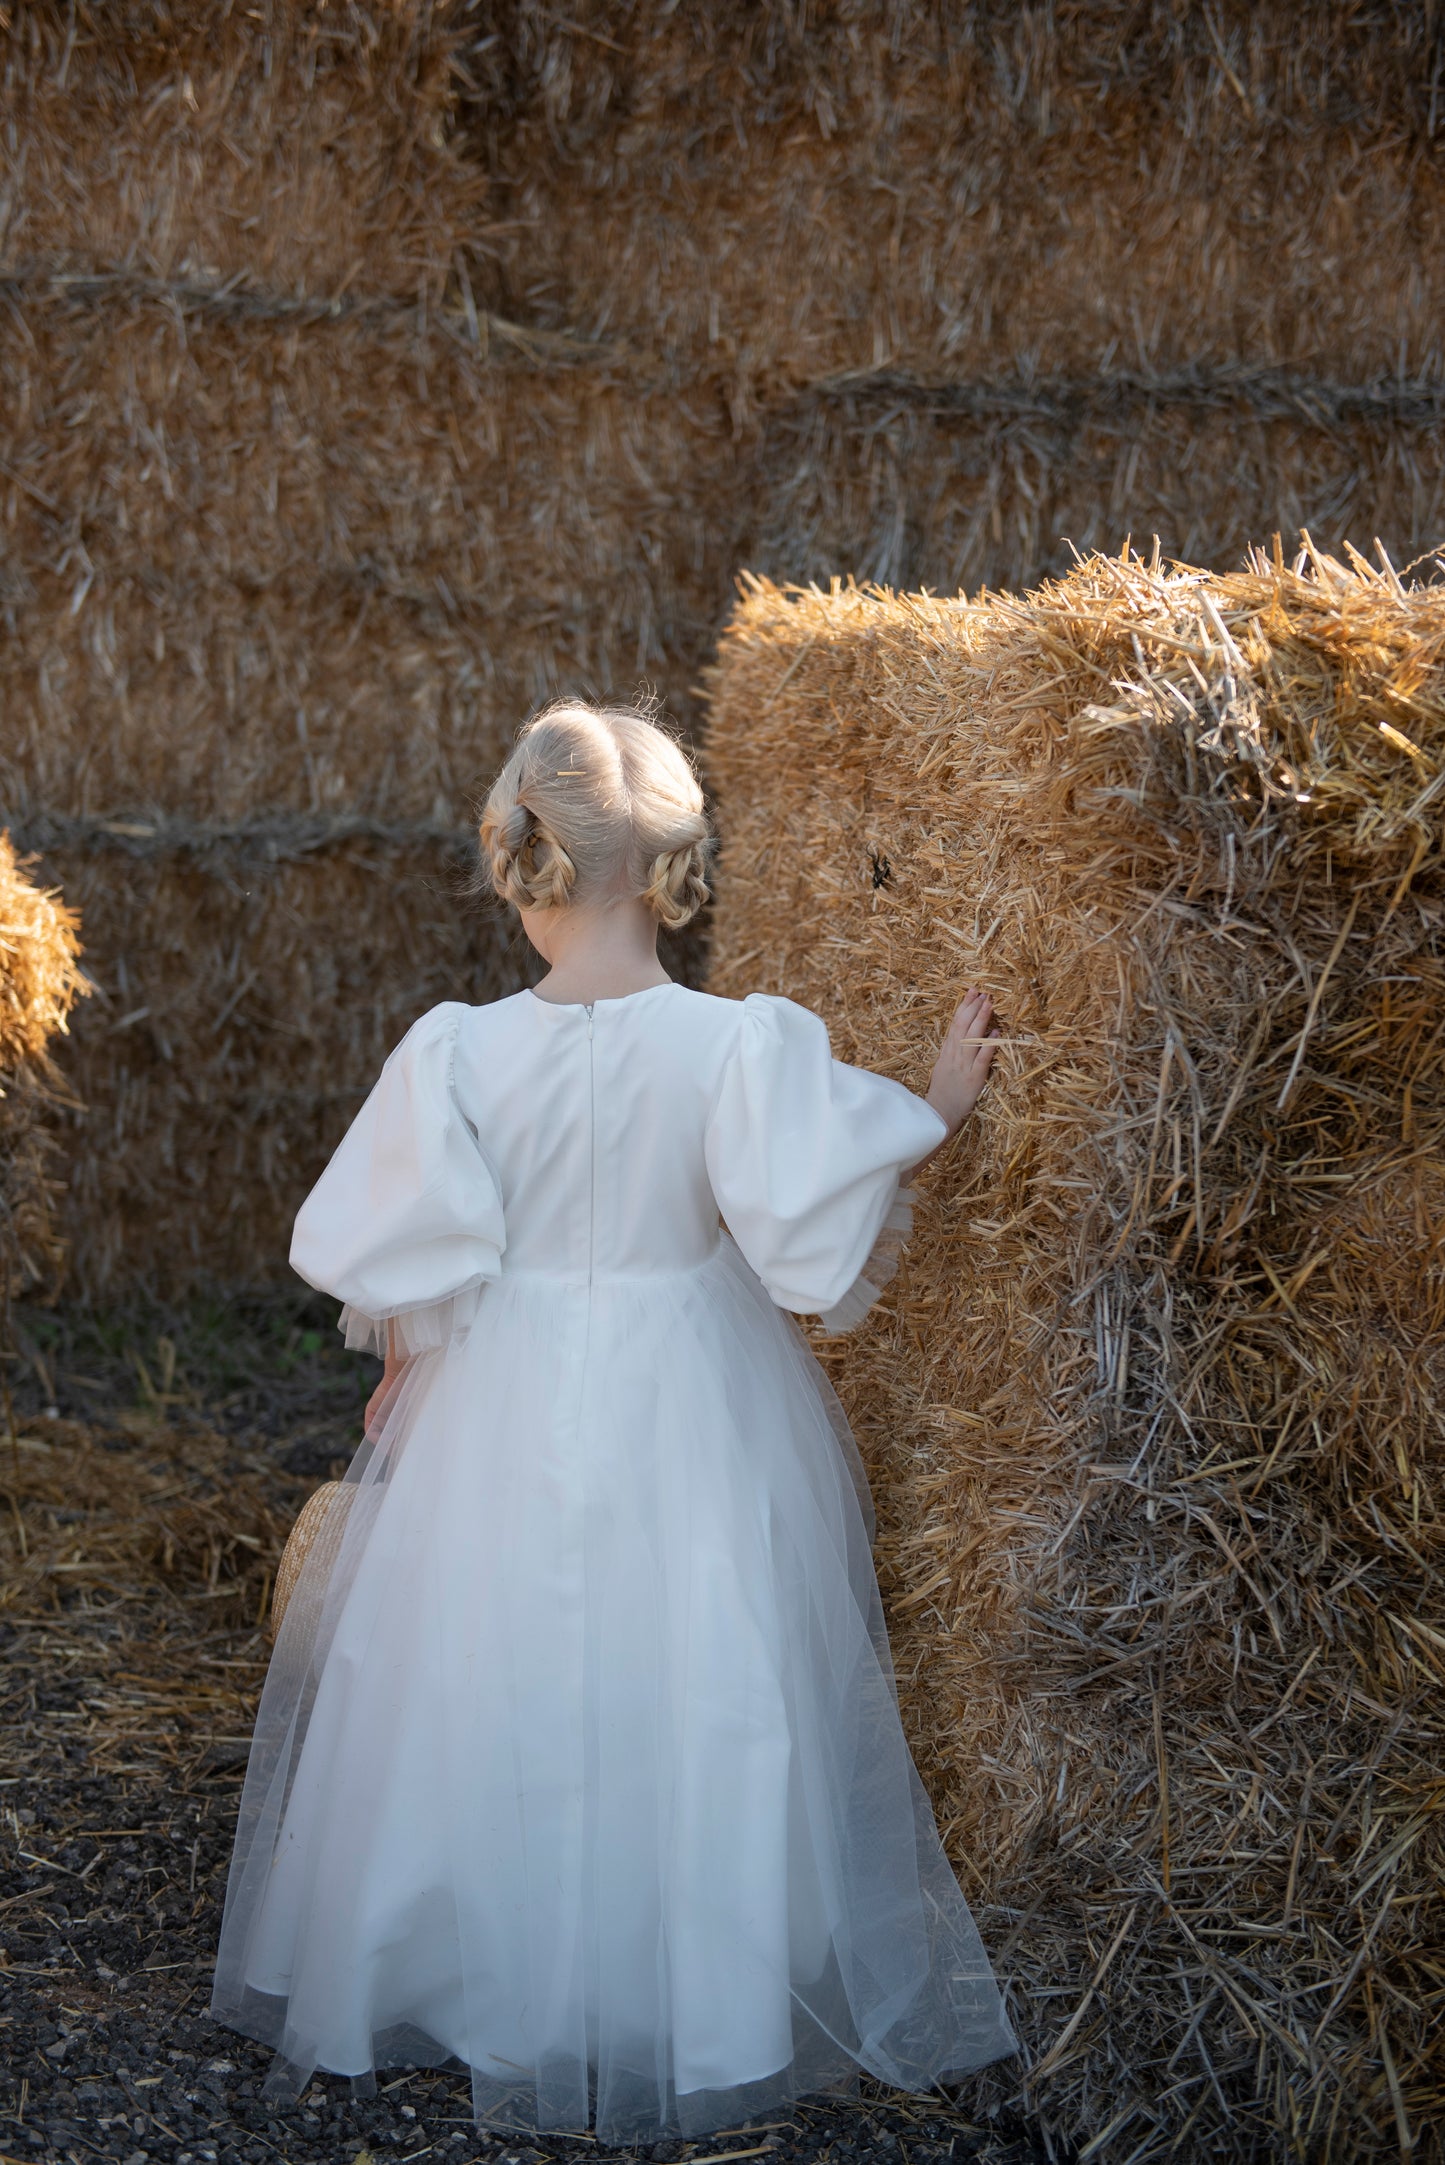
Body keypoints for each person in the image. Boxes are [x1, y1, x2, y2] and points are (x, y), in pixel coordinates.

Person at [209, 695, 1018, 2145]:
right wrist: (933, 1111)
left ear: (521, 858)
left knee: (479, 1658)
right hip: (691, 1385)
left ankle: (476, 1957)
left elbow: (404, 1247)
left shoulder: (453, 1051)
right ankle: (692, 1988)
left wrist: (409, 1365)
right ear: (670, 865)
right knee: (701, 1660)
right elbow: (799, 1218)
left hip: (505, 1393)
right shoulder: (735, 1045)